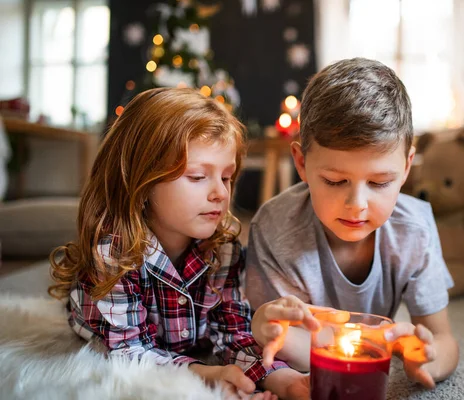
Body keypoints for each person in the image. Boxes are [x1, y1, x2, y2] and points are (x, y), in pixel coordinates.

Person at [49, 88, 309, 399]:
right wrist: (208, 374)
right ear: (141, 182)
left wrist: (286, 381)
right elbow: (130, 354)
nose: (220, 194)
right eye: (198, 177)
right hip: (112, 331)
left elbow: (233, 333)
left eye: (226, 177)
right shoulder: (113, 255)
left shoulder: (222, 249)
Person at [246, 58, 459, 389]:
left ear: (406, 168)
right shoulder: (275, 230)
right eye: (334, 180)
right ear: (301, 162)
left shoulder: (413, 228)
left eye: (378, 183)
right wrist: (270, 331)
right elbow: (284, 346)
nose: (357, 205)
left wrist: (425, 357)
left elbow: (443, 338)